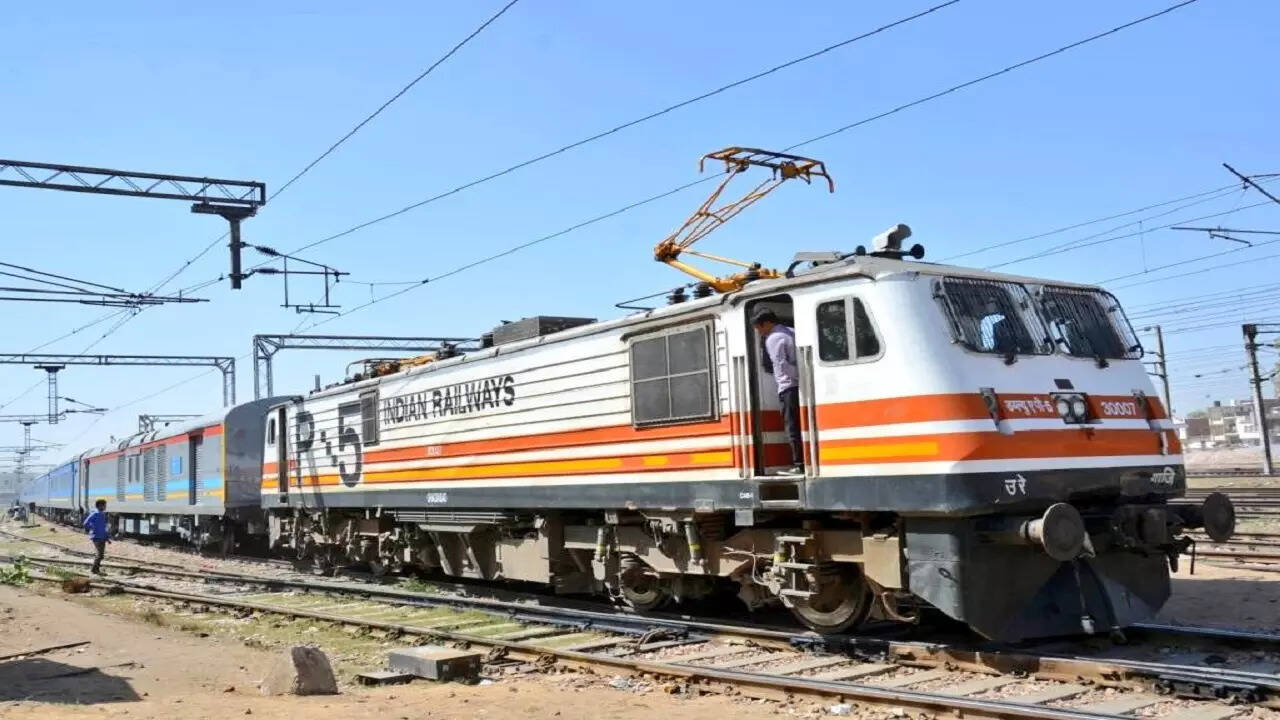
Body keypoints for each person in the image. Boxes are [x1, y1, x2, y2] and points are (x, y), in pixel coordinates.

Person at [752, 307, 804, 475]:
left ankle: (799, 464)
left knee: (792, 426)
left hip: (788, 386)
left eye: (759, 327)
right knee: (800, 424)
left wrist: (795, 377)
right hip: (799, 386)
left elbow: (781, 364)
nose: (758, 331)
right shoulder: (791, 331)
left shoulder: (773, 338)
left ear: (767, 323)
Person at [82, 498, 110, 574]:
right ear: (100, 506)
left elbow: (104, 527)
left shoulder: (103, 514)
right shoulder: (94, 514)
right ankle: (94, 570)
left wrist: (107, 537)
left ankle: (96, 569)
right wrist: (93, 528)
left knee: (101, 555)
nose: (105, 507)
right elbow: (85, 523)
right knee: (99, 555)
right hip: (96, 537)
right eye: (104, 505)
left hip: (102, 537)